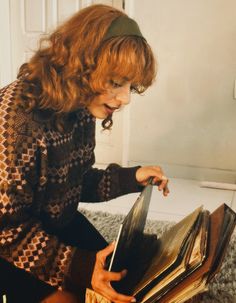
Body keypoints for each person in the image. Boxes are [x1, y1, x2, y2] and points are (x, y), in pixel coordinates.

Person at [0, 4, 169, 303]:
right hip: (10, 245)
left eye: (131, 86)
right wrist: (78, 266)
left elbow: (74, 181)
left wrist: (132, 177)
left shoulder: (77, 106)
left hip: (53, 226)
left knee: (123, 278)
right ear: (80, 64)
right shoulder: (18, 121)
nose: (125, 98)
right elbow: (6, 231)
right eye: (116, 83)